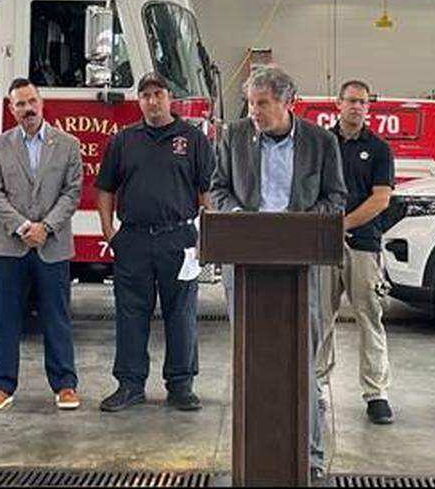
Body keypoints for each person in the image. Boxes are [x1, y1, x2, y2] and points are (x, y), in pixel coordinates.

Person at [209, 64, 347, 481]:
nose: (254, 111)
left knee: (303, 360)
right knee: (249, 357)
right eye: (251, 103)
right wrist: (238, 219)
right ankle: (253, 455)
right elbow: (218, 188)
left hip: (299, 266)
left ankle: (312, 454)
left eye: (263, 104)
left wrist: (297, 227)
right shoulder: (232, 136)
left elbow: (336, 197)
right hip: (245, 262)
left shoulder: (321, 142)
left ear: (289, 103)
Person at [95, 71, 215, 412]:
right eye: (145, 95)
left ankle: (181, 386)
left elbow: (207, 192)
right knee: (130, 314)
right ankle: (130, 385)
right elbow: (105, 189)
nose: (152, 100)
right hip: (132, 240)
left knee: (182, 314)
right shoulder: (123, 140)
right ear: (139, 101)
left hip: (179, 240)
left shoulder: (192, 139)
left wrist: (207, 239)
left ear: (169, 98)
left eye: (158, 94)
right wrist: (109, 232)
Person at [0, 78, 83, 413]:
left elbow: (73, 192)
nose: (28, 109)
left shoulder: (67, 144)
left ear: (42, 103)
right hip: (11, 245)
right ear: (11, 110)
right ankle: (1, 386)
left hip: (53, 245)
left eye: (31, 101)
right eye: (20, 104)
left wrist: (46, 227)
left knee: (57, 316)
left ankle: (65, 385)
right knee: (7, 317)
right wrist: (24, 227)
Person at [317, 79, 396, 426]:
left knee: (370, 318)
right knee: (319, 317)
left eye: (362, 102)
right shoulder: (321, 145)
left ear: (369, 107)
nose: (356, 107)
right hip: (320, 246)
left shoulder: (379, 149)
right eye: (350, 101)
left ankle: (376, 393)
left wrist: (344, 225)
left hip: (363, 245)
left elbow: (381, 199)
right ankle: (315, 386)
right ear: (337, 104)